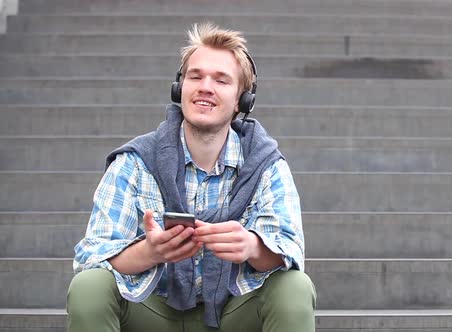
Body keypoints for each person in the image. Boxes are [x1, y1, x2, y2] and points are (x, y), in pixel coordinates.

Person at [67, 22, 316, 332]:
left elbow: (290, 253)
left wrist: (253, 247)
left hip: (234, 312)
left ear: (242, 100)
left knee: (294, 286)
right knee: (89, 286)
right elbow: (91, 257)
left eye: (221, 80)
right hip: (153, 310)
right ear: (179, 88)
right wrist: (150, 252)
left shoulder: (266, 166)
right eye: (195, 76)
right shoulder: (134, 162)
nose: (205, 87)